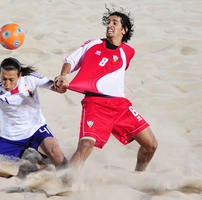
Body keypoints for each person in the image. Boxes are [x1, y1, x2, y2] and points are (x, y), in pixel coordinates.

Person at [54, 6, 158, 172]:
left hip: (120, 105)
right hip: (95, 104)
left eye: (115, 23)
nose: (109, 25)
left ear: (124, 30)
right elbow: (71, 60)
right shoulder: (93, 44)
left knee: (150, 145)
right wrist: (63, 75)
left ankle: (139, 175)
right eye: (108, 22)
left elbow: (115, 72)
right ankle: (66, 182)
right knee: (86, 145)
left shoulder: (128, 52)